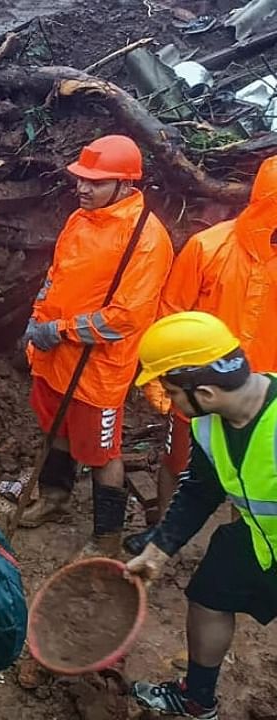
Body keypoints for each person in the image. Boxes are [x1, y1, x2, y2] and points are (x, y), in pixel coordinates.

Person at [18, 134, 173, 557]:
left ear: (125, 184)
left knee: (102, 454)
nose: (83, 188)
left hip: (97, 367)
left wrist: (62, 330)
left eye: (95, 181)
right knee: (55, 428)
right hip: (54, 357)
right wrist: (38, 315)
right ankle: (54, 496)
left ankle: (106, 537)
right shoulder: (81, 219)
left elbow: (126, 317)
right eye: (81, 179)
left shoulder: (147, 239)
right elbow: (56, 275)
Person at [126, 311, 277, 720]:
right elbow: (200, 490)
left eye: (171, 391)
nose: (168, 401)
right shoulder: (210, 425)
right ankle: (197, 698)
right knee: (209, 596)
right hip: (260, 539)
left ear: (205, 392)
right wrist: (158, 551)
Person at [125, 155, 277, 554]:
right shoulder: (208, 247)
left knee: (257, 475)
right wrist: (162, 380)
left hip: (264, 396)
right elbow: (172, 311)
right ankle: (160, 533)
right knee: (178, 461)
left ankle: (244, 543)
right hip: (196, 384)